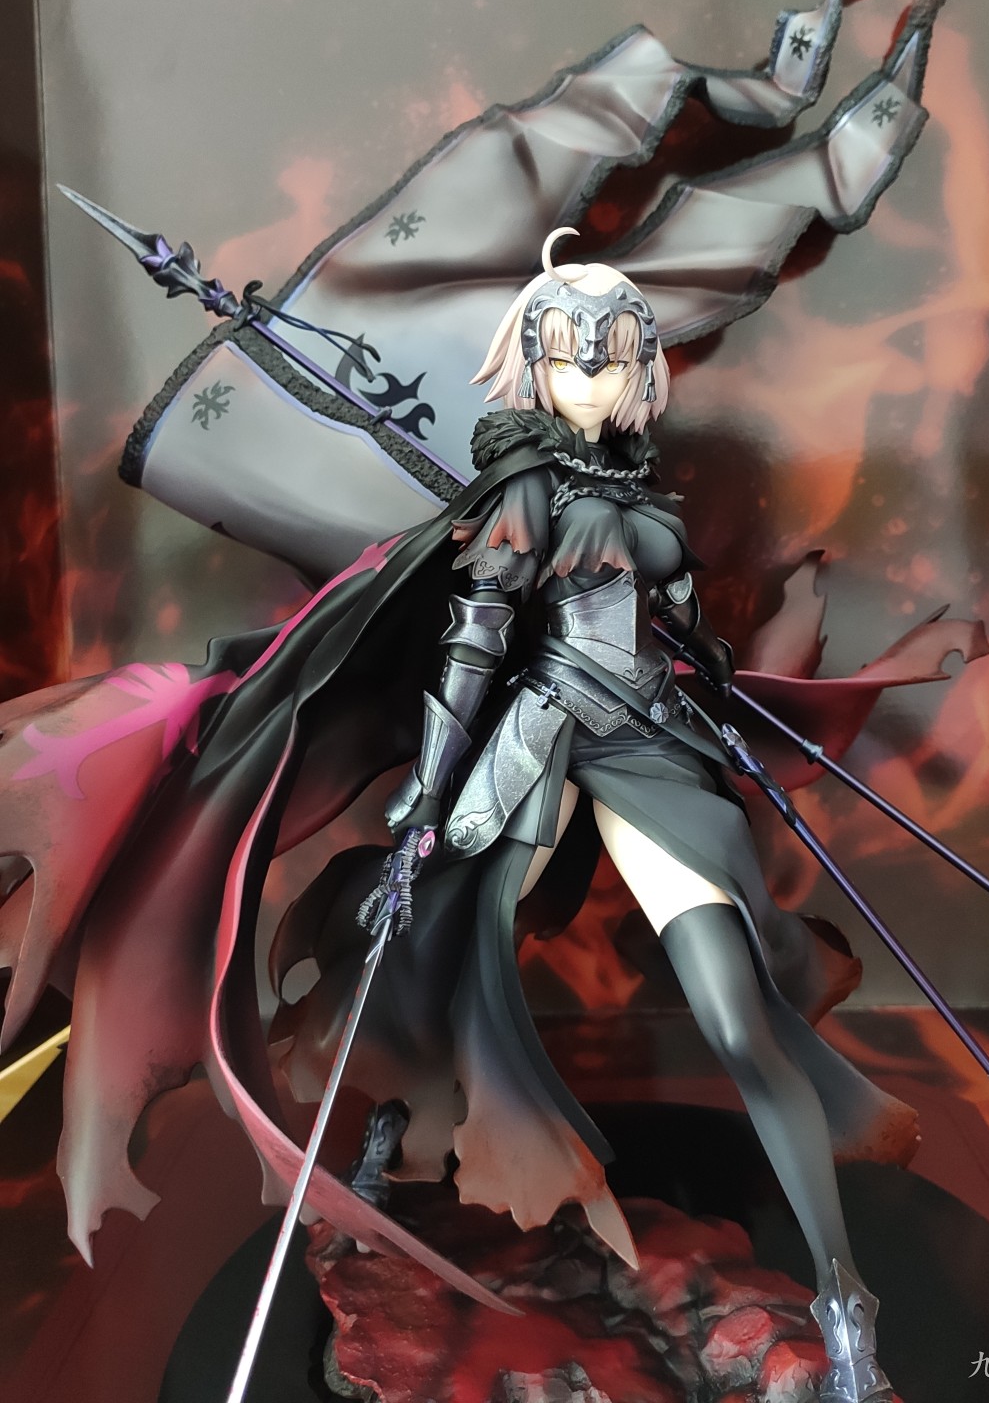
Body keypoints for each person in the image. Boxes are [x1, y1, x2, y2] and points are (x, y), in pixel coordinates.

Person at [263, 228, 910, 1403]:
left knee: (738, 1017)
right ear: (536, 361)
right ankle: (392, 1125)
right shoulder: (519, 487)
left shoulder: (637, 488)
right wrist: (430, 790)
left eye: (615, 353)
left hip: (649, 743)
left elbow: (686, 631)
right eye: (571, 353)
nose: (595, 375)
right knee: (436, 931)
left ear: (641, 364)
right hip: (539, 736)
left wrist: (720, 694)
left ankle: (842, 1292)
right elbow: (474, 647)